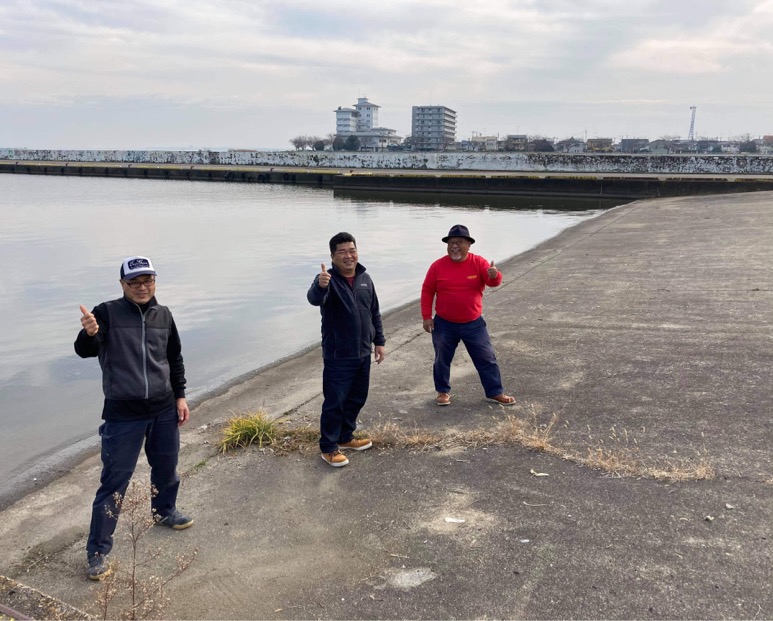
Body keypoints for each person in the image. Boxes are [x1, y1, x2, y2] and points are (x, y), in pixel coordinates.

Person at [75, 256, 193, 581]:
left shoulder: (163, 315)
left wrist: (180, 396)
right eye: (135, 282)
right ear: (122, 285)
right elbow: (85, 349)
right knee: (115, 482)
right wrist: (88, 333)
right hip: (123, 414)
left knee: (167, 467)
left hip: (164, 408)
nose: (142, 287)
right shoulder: (106, 313)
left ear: (154, 281)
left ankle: (164, 511)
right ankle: (97, 551)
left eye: (147, 281)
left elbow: (174, 358)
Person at [307, 232, 386, 467]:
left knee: (357, 397)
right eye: (342, 252)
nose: (348, 256)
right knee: (335, 401)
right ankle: (328, 447)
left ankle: (345, 436)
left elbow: (374, 312)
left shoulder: (365, 279)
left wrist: (379, 341)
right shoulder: (327, 280)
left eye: (352, 250)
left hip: (363, 351)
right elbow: (314, 298)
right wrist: (320, 286)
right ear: (333, 256)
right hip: (338, 355)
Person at [421, 225, 516, 407]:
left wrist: (495, 275)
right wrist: (426, 316)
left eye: (459, 242)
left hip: (473, 323)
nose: (454, 246)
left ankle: (495, 392)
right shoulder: (437, 266)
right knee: (441, 359)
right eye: (451, 243)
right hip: (444, 323)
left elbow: (493, 282)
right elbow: (427, 290)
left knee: (487, 357)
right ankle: (442, 392)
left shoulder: (478, 262)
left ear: (469, 245)